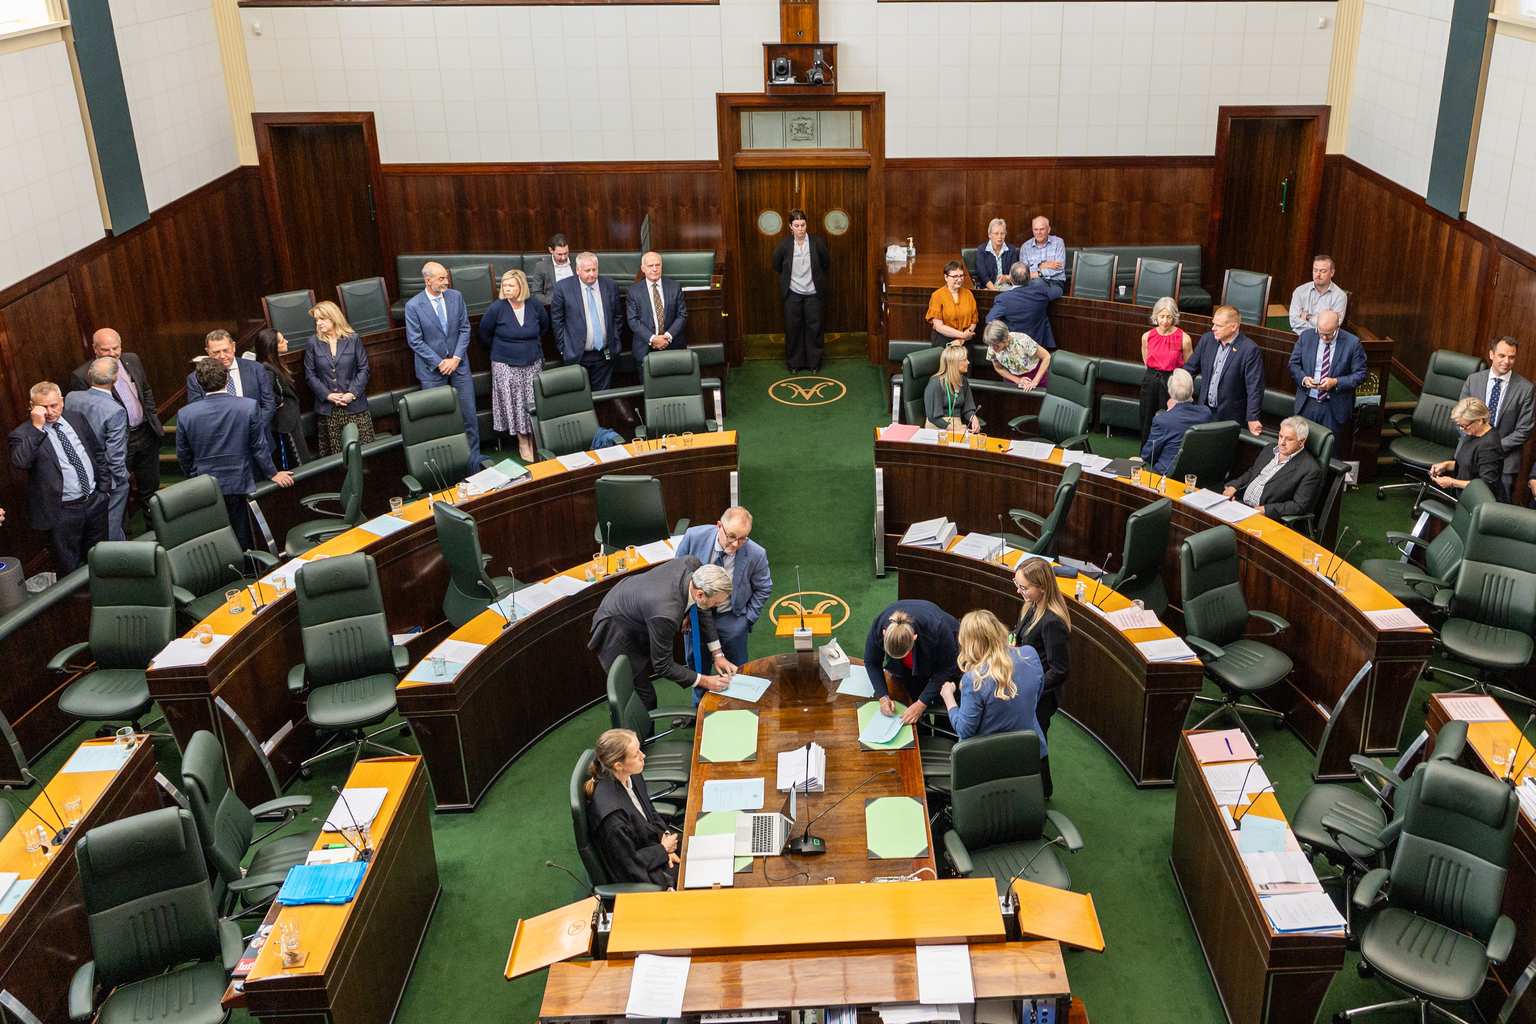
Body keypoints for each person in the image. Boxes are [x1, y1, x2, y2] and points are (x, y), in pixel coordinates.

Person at [176, 358, 294, 550]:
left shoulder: (185, 414)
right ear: (227, 379)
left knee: (217, 536)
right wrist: (273, 473)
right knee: (244, 535)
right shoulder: (248, 406)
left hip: (206, 484)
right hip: (240, 479)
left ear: (199, 382)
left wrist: (193, 474)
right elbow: (258, 446)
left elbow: (183, 453)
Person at [588, 558, 736, 710]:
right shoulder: (666, 614)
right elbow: (663, 665)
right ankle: (637, 726)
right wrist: (706, 681)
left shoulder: (693, 565)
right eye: (716, 603)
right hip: (616, 633)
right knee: (645, 698)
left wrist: (718, 655)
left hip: (637, 605)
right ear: (699, 595)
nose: (717, 606)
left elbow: (703, 609)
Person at [9, 381, 110, 573]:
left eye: (53, 405)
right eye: (43, 407)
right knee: (68, 566)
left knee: (101, 557)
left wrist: (104, 490)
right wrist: (37, 427)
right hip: (62, 512)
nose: (49, 412)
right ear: (32, 407)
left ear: (62, 401)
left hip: (94, 502)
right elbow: (20, 462)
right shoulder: (23, 434)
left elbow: (96, 452)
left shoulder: (76, 418)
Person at [70, 328, 161, 519]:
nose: (112, 353)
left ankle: (155, 527)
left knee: (150, 488)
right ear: (95, 349)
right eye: (106, 349)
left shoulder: (132, 360)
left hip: (145, 433)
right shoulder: (82, 375)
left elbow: (145, 390)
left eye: (116, 348)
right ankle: (122, 534)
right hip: (116, 443)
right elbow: (87, 417)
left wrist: (152, 417)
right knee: (119, 492)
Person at [672, 507, 772, 670]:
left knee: (737, 673)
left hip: (731, 619)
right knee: (697, 671)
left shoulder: (756, 553)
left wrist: (746, 621)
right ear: (719, 526)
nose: (736, 544)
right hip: (696, 617)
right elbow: (677, 574)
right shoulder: (693, 537)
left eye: (742, 538)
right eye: (731, 536)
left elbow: (764, 588)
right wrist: (685, 612)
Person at [404, 261, 481, 470]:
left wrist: (455, 358)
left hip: (459, 365)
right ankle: (447, 468)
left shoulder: (456, 297)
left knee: (469, 415)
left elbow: (465, 329)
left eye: (446, 277)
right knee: (438, 420)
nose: (446, 281)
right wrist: (439, 362)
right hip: (432, 371)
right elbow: (415, 341)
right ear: (428, 280)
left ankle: (474, 464)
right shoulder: (413, 306)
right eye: (441, 278)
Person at [583, 728, 677, 889]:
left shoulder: (632, 774)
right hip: (643, 877)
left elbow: (650, 812)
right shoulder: (613, 819)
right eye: (636, 754)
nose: (643, 755)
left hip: (654, 848)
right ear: (618, 765)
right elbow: (629, 866)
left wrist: (665, 837)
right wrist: (663, 850)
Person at [940, 609, 1046, 745]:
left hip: (991, 755)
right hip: (1032, 749)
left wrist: (948, 696)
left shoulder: (974, 679)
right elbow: (1037, 694)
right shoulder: (1030, 654)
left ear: (969, 643)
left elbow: (964, 730)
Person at [1011, 557, 1070, 798]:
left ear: (1042, 587)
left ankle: (1043, 790)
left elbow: (1060, 670)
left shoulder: (1052, 621)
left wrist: (1031, 688)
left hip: (1042, 695)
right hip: (1029, 686)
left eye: (1024, 587)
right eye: (1017, 584)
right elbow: (1022, 637)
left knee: (1037, 742)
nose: (1019, 591)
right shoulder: (1031, 606)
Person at [479, 269, 549, 463]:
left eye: (511, 285)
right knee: (515, 403)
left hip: (532, 363)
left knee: (532, 401)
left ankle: (535, 439)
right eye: (504, 285)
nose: (506, 288)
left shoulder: (534, 305)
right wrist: (504, 350)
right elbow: (484, 333)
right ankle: (522, 441)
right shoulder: (497, 308)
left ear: (521, 286)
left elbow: (544, 327)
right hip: (506, 365)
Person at [862, 601, 962, 726]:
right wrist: (883, 697)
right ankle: (921, 732)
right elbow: (872, 662)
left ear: (914, 638)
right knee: (912, 702)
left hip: (946, 654)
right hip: (912, 667)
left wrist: (922, 703)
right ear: (884, 633)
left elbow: (946, 668)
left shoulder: (937, 629)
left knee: (944, 708)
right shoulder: (879, 625)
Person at [1458, 336, 1532, 500]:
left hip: (1505, 458)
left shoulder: (1526, 389)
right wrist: (1477, 447)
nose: (1506, 361)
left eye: (1511, 357)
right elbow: (1460, 417)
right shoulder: (1473, 380)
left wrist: (1492, 448)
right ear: (1491, 354)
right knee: (1462, 498)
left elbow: (1524, 430)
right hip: (1470, 450)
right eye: (1502, 355)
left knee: (1498, 503)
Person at [63, 358, 129, 540]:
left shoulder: (71, 397)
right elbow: (115, 454)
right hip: (109, 478)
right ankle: (116, 554)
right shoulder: (115, 410)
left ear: (89, 375)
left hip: (81, 475)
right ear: (115, 378)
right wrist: (121, 479)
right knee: (111, 524)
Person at [303, 302, 374, 457]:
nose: (318, 323)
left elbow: (364, 369)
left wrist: (351, 394)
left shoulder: (353, 339)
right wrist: (328, 395)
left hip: (354, 406)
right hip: (329, 410)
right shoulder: (312, 343)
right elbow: (310, 375)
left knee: (363, 454)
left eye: (322, 319)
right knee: (337, 457)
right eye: (316, 320)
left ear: (334, 317)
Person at [1184, 305, 1264, 435]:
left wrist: (1252, 418)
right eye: (1213, 324)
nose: (1213, 328)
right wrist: (1177, 397)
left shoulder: (1249, 349)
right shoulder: (1207, 340)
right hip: (1204, 411)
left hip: (1230, 416)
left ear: (1233, 327)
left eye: (1218, 325)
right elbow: (1189, 369)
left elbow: (1254, 387)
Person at [1222, 416, 1324, 517]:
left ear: (1301, 442)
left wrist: (1266, 510)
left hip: (1264, 516)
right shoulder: (1269, 449)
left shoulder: (1310, 469)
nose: (1282, 442)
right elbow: (1252, 472)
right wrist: (1234, 486)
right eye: (1280, 436)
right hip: (1239, 504)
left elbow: (1298, 506)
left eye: (1289, 439)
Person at [1288, 309, 1366, 436]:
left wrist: (1336, 382)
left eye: (1329, 334)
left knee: (1331, 446)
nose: (1324, 337)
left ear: (1337, 327)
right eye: (1321, 333)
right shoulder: (1306, 337)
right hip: (1307, 403)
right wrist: (1304, 379)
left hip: (1334, 407)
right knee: (1301, 444)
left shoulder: (1352, 343)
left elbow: (1360, 374)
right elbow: (1293, 364)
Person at [772, 209, 831, 373]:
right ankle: (794, 363)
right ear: (790, 227)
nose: (800, 229)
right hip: (792, 293)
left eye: (803, 225)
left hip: (813, 293)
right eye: (796, 225)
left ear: (806, 225)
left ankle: (814, 363)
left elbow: (825, 263)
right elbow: (776, 265)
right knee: (793, 329)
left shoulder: (817, 242)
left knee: (815, 329)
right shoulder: (784, 245)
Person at [552, 251, 621, 391]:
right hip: (576, 355)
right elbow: (557, 321)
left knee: (602, 396)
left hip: (604, 354)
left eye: (594, 270)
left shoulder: (610, 285)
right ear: (578, 270)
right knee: (579, 396)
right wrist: (564, 349)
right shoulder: (563, 288)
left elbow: (617, 316)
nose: (591, 274)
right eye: (587, 270)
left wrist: (614, 339)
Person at [185, 329, 276, 430]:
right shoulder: (195, 379)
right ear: (208, 352)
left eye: (225, 350)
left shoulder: (256, 369)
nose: (222, 356)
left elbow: (268, 404)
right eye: (216, 352)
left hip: (256, 433)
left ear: (233, 347)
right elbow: (198, 413)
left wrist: (254, 429)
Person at [254, 327, 312, 468]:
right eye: (281, 341)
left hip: (289, 419)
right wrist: (278, 401)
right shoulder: (266, 368)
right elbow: (266, 394)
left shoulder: (274, 364)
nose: (286, 341)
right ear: (272, 347)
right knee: (298, 462)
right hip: (284, 423)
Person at [1430, 397, 1506, 500]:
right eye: (1460, 425)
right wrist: (1447, 465)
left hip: (1477, 500)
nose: (1462, 429)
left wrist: (1452, 482)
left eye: (1464, 426)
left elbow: (1486, 485)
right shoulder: (1473, 432)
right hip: (1464, 495)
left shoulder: (1489, 446)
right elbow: (1470, 465)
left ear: (1479, 420)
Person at [1139, 297, 1192, 440]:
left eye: (1169, 317)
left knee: (1168, 419)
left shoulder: (1184, 338)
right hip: (1150, 380)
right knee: (1147, 417)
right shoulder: (1147, 336)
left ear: (1174, 317)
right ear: (1155, 316)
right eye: (1161, 316)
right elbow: (1146, 360)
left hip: (1172, 382)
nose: (1165, 321)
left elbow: (1188, 366)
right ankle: (1146, 449)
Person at [1141, 369, 1212, 474]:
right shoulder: (1205, 413)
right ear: (1192, 390)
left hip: (1166, 476)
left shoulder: (1162, 420)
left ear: (1170, 392)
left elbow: (1147, 455)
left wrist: (1168, 413)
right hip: (1194, 475)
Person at [626, 251, 688, 367]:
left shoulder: (674, 287)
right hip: (645, 348)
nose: (655, 269)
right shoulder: (634, 291)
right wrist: (653, 339)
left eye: (658, 265)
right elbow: (633, 320)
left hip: (673, 346)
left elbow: (682, 315)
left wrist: (667, 337)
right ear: (643, 269)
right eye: (650, 266)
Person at [985, 264, 1058, 350]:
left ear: (1010, 278)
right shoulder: (1041, 290)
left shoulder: (1003, 299)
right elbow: (1057, 292)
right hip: (1038, 346)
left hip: (1015, 348)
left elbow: (990, 320)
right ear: (1029, 277)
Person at [982, 320, 1051, 392]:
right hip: (1012, 378)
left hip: (1035, 375)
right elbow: (999, 368)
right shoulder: (992, 347)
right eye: (991, 345)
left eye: (996, 346)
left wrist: (1035, 381)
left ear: (1005, 339)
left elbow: (1046, 356)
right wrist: (1017, 380)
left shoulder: (1023, 340)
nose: (993, 349)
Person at [1288, 255, 1348, 335]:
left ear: (1332, 273)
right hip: (1300, 336)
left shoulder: (1340, 296)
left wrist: (1308, 317)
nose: (1318, 274)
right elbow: (1293, 321)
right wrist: (1322, 323)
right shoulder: (1299, 291)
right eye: (1315, 270)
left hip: (1325, 338)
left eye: (1323, 271)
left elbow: (1333, 326)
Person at [924, 345, 980, 433]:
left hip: (956, 423)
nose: (968, 362)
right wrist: (954, 429)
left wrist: (973, 419)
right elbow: (933, 418)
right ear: (954, 363)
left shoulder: (963, 381)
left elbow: (968, 408)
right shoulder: (935, 383)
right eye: (964, 360)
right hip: (937, 427)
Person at [925, 260, 978, 346]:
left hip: (966, 339)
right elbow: (939, 326)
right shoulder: (937, 296)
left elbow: (974, 321)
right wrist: (962, 335)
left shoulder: (968, 294)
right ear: (946, 277)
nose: (959, 279)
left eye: (961, 275)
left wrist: (962, 339)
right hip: (944, 338)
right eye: (955, 276)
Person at [1016, 216, 1066, 293]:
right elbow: (1024, 273)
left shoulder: (1058, 242)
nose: (1038, 232)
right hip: (1034, 282)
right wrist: (1041, 265)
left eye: (1042, 229)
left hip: (1055, 282)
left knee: (1042, 291)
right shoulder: (1025, 247)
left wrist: (1037, 271)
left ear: (1048, 230)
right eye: (1035, 229)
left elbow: (1059, 268)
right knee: (1037, 285)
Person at [527, 233, 576, 307]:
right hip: (553, 306)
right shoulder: (541, 266)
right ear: (551, 250)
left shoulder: (577, 262)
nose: (563, 258)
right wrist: (551, 302)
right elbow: (536, 293)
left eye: (566, 253)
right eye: (559, 254)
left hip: (575, 305)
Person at [975, 218, 1017, 291]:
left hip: (1008, 288)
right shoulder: (981, 250)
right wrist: (994, 290)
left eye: (1002, 233)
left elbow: (1014, 273)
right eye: (996, 233)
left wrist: (1007, 278)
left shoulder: (1011, 250)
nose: (1000, 237)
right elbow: (983, 275)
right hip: (988, 288)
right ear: (990, 235)